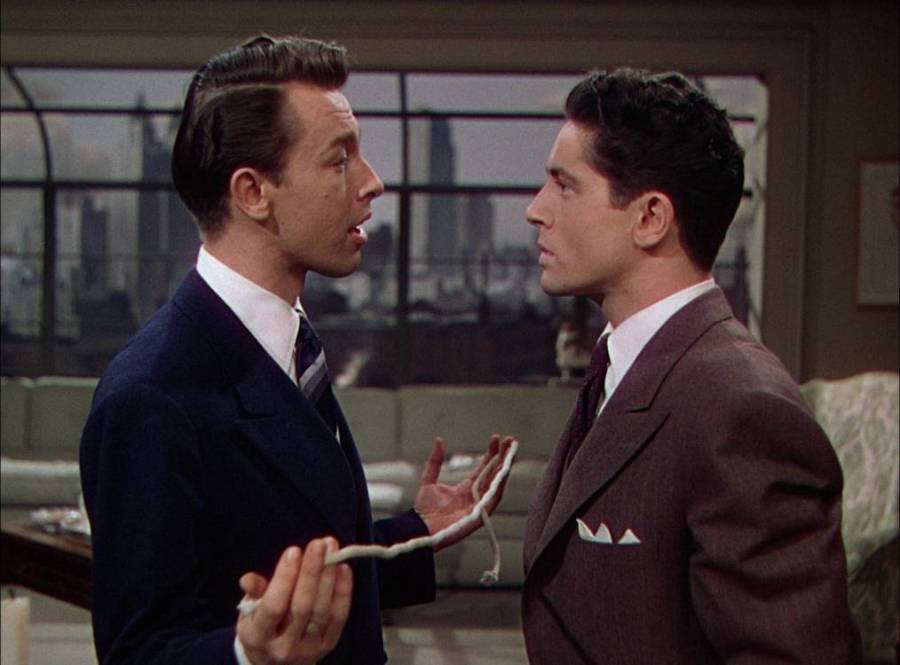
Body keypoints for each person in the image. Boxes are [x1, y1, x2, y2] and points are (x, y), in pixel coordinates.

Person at [79, 35, 511, 665]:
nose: (372, 183)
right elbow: (136, 652)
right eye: (340, 159)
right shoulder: (153, 395)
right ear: (254, 192)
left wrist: (418, 534)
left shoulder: (289, 344)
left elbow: (295, 563)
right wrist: (245, 656)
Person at [521, 68, 861, 663]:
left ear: (650, 218)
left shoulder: (741, 407)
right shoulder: (621, 368)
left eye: (564, 186)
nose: (535, 211)